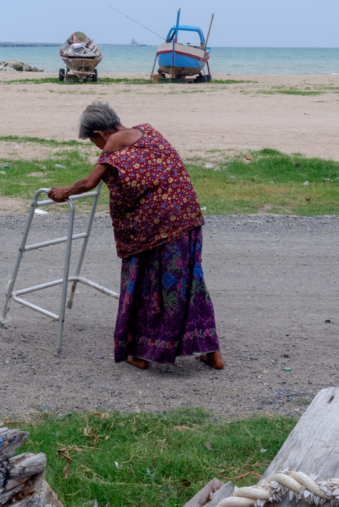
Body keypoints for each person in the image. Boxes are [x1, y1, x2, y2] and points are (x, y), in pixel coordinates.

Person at [49, 101, 224, 370]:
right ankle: (212, 352)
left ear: (99, 134)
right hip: (186, 216)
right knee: (191, 282)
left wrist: (64, 192)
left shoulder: (113, 142)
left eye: (94, 143)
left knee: (146, 285)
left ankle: (141, 355)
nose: (98, 148)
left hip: (156, 227)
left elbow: (89, 182)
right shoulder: (148, 131)